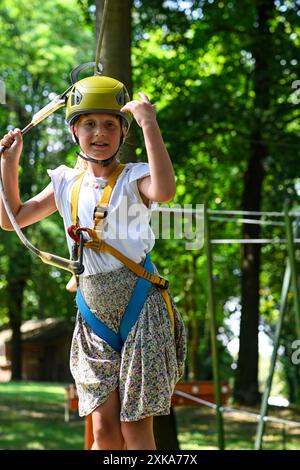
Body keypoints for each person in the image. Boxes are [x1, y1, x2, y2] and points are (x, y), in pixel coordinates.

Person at [0, 75, 186, 450]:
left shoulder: (135, 177)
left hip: (140, 307)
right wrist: (9, 162)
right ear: (73, 131)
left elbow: (165, 191)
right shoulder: (66, 182)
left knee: (135, 430)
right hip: (94, 312)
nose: (99, 132)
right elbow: (10, 217)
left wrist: (149, 121)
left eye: (109, 124)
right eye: (88, 123)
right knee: (102, 432)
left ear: (122, 132)